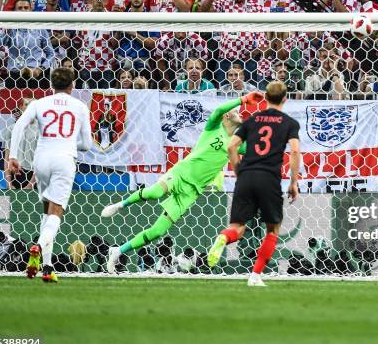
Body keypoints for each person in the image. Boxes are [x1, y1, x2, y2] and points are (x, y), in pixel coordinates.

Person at [102, 92, 265, 273]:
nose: (240, 114)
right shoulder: (213, 127)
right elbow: (219, 109)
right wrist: (243, 99)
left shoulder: (235, 144)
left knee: (157, 231)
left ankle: (117, 251)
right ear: (227, 116)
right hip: (181, 173)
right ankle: (120, 204)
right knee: (154, 192)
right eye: (237, 112)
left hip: (192, 191)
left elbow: (258, 148)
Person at [207, 81, 301, 287]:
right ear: (285, 99)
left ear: (265, 98)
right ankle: (255, 276)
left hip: (247, 177)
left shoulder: (251, 121)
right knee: (272, 229)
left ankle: (223, 238)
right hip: (269, 178)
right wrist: (294, 182)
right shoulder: (289, 123)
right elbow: (294, 151)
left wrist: (239, 171)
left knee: (237, 228)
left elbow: (232, 147)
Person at [7, 68, 93, 283]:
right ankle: (37, 246)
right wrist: (69, 141)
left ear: (51, 85)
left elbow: (19, 125)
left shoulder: (39, 103)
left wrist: (14, 156)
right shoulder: (80, 107)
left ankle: (47, 267)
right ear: (72, 85)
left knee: (46, 212)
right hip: (64, 160)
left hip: (41, 160)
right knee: (56, 212)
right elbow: (87, 144)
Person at [3, 98, 38, 189]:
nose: (30, 107)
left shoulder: (42, 131)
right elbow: (7, 158)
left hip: (36, 176)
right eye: (27, 104)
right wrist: (8, 183)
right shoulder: (11, 129)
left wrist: (31, 184)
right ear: (21, 107)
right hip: (16, 174)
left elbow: (43, 160)